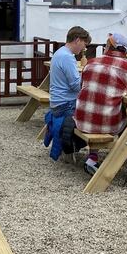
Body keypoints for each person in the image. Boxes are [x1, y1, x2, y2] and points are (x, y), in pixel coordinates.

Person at [74, 32, 127, 181]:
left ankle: (92, 158)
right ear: (125, 51)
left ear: (109, 46)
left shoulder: (91, 62)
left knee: (96, 107)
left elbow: (82, 85)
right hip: (108, 125)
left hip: (81, 120)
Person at [44, 26, 90, 160]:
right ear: (77, 40)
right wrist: (87, 78)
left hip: (57, 102)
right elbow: (76, 86)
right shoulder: (67, 57)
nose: (83, 49)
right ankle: (90, 152)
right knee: (96, 114)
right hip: (66, 104)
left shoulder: (59, 53)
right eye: (83, 44)